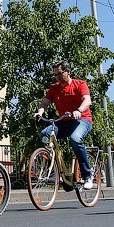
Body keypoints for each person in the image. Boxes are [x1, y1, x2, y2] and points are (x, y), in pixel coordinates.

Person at [33, 60, 95, 190]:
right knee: (44, 134)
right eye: (55, 75)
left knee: (75, 139)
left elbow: (87, 100)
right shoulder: (54, 88)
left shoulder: (79, 84)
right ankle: (56, 172)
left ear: (68, 72)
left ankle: (87, 175)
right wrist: (39, 113)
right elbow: (44, 103)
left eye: (59, 74)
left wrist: (79, 110)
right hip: (63, 121)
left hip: (82, 120)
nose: (57, 77)